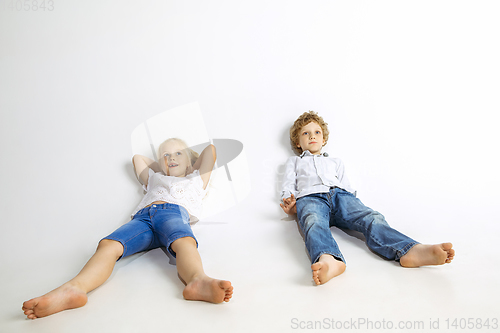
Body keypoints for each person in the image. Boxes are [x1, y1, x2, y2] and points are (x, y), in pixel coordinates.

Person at [23, 138, 233, 320]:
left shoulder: (194, 179)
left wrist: (189, 161)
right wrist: (162, 166)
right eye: (165, 155)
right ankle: (75, 288)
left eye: (177, 153)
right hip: (143, 220)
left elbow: (210, 152)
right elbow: (137, 159)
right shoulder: (154, 179)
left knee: (183, 240)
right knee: (109, 244)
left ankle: (197, 280)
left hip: (173, 213)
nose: (171, 158)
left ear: (190, 162)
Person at [280, 111, 455, 285]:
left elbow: (345, 184)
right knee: (313, 222)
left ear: (324, 139)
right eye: (306, 133)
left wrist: (350, 200)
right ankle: (329, 259)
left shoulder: (335, 161)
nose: (312, 136)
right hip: (310, 198)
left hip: (339, 195)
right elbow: (288, 184)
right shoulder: (295, 162)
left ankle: (409, 250)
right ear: (297, 142)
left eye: (317, 132)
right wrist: (290, 201)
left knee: (371, 217)